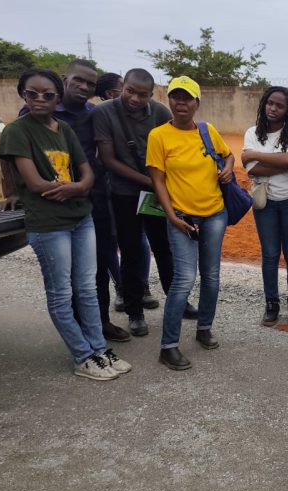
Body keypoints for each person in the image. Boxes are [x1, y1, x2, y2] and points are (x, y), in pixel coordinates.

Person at [0, 68, 131, 380]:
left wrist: (80, 187)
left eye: (47, 95)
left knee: (86, 288)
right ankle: (83, 356)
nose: (39, 99)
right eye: (32, 94)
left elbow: (86, 170)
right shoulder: (19, 130)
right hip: (48, 223)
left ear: (57, 98)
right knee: (60, 292)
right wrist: (75, 187)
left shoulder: (64, 129)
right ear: (23, 94)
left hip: (80, 217)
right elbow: (34, 181)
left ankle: (99, 349)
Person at [93, 68, 194, 337]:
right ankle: (135, 312)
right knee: (131, 252)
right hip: (124, 193)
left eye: (143, 94)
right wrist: (150, 181)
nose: (136, 99)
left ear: (152, 94)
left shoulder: (160, 112)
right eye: (130, 91)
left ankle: (179, 302)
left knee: (165, 249)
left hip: (156, 195)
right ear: (122, 86)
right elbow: (108, 160)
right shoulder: (104, 113)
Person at [147, 76, 234, 370]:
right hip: (181, 217)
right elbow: (157, 179)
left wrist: (229, 170)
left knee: (211, 276)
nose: (180, 103)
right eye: (175, 97)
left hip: (215, 213)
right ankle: (168, 346)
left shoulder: (207, 131)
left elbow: (228, 155)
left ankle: (204, 328)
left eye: (187, 98)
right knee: (184, 279)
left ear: (197, 103)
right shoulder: (159, 136)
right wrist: (171, 215)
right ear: (168, 100)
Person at [242, 87, 288, 327]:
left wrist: (255, 155)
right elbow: (252, 170)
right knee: (270, 255)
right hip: (265, 202)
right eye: (270, 103)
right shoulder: (252, 132)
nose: (273, 108)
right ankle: (271, 303)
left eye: (279, 105)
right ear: (264, 104)